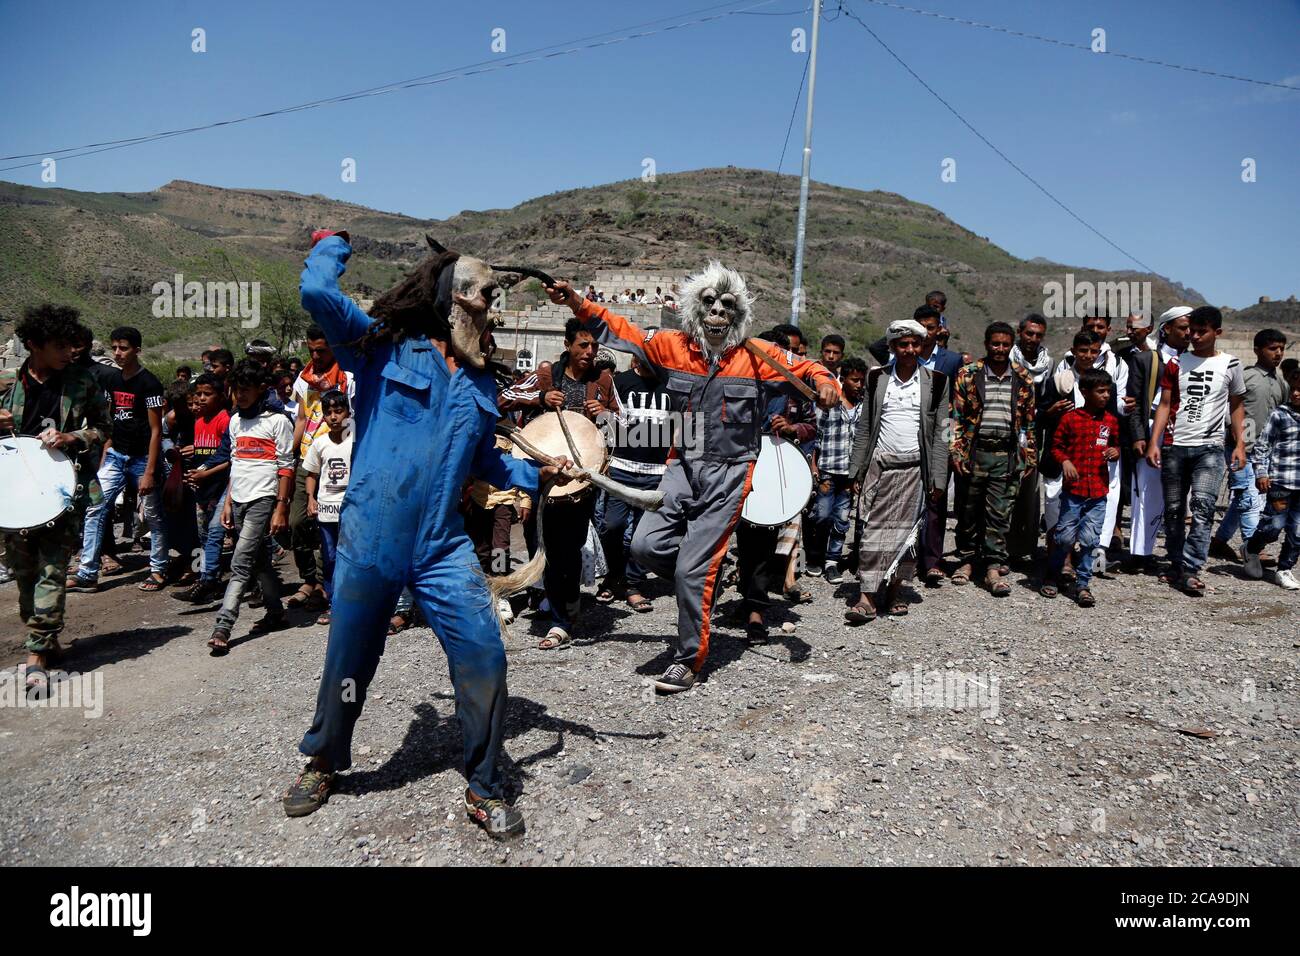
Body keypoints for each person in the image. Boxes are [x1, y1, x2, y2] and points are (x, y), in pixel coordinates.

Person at [285, 230, 567, 838]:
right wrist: (331, 243)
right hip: (369, 540)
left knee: (485, 655)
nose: (492, 308)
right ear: (453, 298)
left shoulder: (482, 383)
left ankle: (485, 785)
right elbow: (314, 289)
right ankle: (325, 759)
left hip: (441, 547)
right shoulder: (382, 347)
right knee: (349, 661)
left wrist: (536, 471)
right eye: (485, 296)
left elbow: (485, 461)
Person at [546, 263, 839, 693]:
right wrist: (576, 300)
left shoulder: (756, 355)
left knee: (690, 569)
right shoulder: (670, 346)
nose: (717, 311)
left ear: (739, 313)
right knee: (645, 546)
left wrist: (827, 382)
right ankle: (705, 579)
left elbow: (810, 369)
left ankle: (689, 658)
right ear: (692, 309)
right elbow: (619, 330)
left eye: (727, 304)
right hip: (682, 465)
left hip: (731, 473)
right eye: (709, 302)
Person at [0, 305, 111, 692]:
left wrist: (72, 438)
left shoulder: (83, 382)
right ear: (34, 345)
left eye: (72, 345)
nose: (69, 353)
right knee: (23, 572)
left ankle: (36, 655)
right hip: (14, 495)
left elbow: (102, 427)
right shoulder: (7, 380)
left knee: (52, 569)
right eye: (60, 346)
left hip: (64, 491)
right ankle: (46, 640)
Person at [844, 321, 949, 621]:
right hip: (879, 466)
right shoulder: (876, 378)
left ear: (922, 346)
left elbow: (944, 433)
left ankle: (894, 592)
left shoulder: (939, 381)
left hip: (916, 469)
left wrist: (938, 477)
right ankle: (866, 595)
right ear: (891, 347)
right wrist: (856, 471)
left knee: (907, 536)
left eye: (915, 344)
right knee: (871, 532)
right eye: (903, 344)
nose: (909, 350)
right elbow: (865, 427)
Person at [1146, 306, 1247, 595]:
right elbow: (1165, 404)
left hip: (1210, 449)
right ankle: (1176, 563)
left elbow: (1237, 405)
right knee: (1175, 511)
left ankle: (1191, 568)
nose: (1195, 335)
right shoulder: (1177, 363)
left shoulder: (1230, 365)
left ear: (1217, 332)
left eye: (1202, 331)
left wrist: (1240, 444)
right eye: (1192, 330)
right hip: (1175, 446)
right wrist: (1155, 442)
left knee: (1203, 508)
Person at [528, 318, 615, 649]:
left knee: (572, 544)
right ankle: (560, 619)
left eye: (594, 346)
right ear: (567, 345)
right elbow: (505, 399)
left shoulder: (603, 380)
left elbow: (623, 422)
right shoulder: (548, 374)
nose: (590, 351)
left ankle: (568, 600)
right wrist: (540, 398)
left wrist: (604, 412)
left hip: (583, 478)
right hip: (545, 474)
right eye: (583, 345)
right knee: (547, 546)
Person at [68, 326, 169, 593]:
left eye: (123, 348)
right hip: (115, 455)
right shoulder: (112, 380)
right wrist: (105, 455)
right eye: (114, 348)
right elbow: (111, 421)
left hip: (141, 458)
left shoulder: (149, 383)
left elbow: (156, 430)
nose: (118, 353)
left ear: (137, 350)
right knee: (96, 508)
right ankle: (87, 572)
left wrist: (149, 470)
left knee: (154, 516)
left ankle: (158, 569)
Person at [206, 360, 294, 653]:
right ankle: (276, 612)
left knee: (240, 563)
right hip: (239, 498)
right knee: (258, 562)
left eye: (245, 390)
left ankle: (224, 624)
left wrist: (281, 507)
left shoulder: (277, 421)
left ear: (261, 389)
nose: (239, 395)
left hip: (263, 499)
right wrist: (228, 502)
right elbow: (236, 464)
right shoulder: (235, 421)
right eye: (235, 390)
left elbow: (285, 467)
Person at [950, 322, 1038, 595]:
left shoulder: (1023, 378)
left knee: (999, 513)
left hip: (1007, 455)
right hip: (975, 452)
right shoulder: (968, 374)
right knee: (967, 508)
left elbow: (1028, 423)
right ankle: (966, 560)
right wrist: (956, 451)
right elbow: (955, 418)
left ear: (1012, 345)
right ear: (986, 343)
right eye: (995, 344)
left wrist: (1029, 457)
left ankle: (992, 565)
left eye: (1005, 344)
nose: (1000, 349)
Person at [285, 326, 355, 612]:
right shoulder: (304, 378)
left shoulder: (347, 377)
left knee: (332, 526)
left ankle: (325, 586)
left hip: (339, 455)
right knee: (297, 522)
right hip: (308, 457)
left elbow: (355, 413)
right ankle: (309, 579)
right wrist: (291, 454)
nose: (315, 355)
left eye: (321, 350)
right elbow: (301, 418)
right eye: (311, 350)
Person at [1039, 369, 1121, 607]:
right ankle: (1053, 575)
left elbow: (1116, 446)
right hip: (1073, 492)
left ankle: (1083, 584)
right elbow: (1055, 446)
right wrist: (1064, 461)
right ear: (1085, 392)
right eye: (1101, 391)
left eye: (1108, 391)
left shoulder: (1111, 421)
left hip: (1098, 492)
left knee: (1090, 540)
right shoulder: (1070, 419)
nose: (1106, 396)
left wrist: (1116, 453)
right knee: (1064, 537)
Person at [598, 354, 672, 613]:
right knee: (612, 526)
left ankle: (633, 584)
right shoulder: (621, 382)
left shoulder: (670, 384)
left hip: (656, 471)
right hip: (622, 468)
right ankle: (613, 576)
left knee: (642, 534)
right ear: (636, 357)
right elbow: (608, 422)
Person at [1210, 329, 1288, 560]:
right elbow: (1229, 408)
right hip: (1239, 448)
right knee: (1248, 498)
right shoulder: (1246, 377)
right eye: (1273, 348)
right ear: (1257, 350)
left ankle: (1219, 541)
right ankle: (1254, 547)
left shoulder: (1280, 384)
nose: (1278, 353)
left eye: (1281, 349)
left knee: (1243, 499)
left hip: (1264, 453)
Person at [1123, 307, 1190, 573]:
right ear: (1166, 329)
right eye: (1183, 328)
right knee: (1147, 494)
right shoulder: (1146, 360)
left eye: (1191, 328)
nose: (1188, 333)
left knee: (1176, 495)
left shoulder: (1196, 361)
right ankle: (1141, 553)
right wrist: (1140, 436)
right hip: (1153, 431)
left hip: (1184, 434)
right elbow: (1137, 403)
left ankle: (1176, 554)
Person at [173, 373, 232, 604]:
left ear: (220, 396)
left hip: (223, 486)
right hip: (203, 488)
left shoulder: (224, 419)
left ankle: (208, 581)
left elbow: (228, 457)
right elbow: (204, 454)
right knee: (205, 534)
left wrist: (205, 473)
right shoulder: (199, 422)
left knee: (217, 531)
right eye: (198, 394)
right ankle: (211, 579)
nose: (201, 398)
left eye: (207, 394)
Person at [808, 356, 866, 580]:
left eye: (861, 381)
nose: (859, 385)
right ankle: (815, 556)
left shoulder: (863, 407)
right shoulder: (828, 404)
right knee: (821, 515)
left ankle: (832, 561)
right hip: (827, 470)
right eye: (854, 380)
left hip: (849, 475)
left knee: (842, 519)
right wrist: (813, 465)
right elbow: (816, 436)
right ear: (843, 379)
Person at [1242, 373, 1300, 588]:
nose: (1295, 393)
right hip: (1281, 483)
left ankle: (1284, 569)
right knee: (1273, 527)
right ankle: (1251, 548)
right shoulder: (1280, 415)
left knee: (1297, 532)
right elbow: (1263, 446)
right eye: (1293, 388)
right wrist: (1261, 473)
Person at [303, 388, 354, 626]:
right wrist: (311, 498)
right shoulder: (320, 443)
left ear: (348, 412)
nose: (333, 417)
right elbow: (312, 473)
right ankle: (334, 604)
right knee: (330, 557)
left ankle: (353, 604)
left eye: (338, 410)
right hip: (326, 511)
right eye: (328, 412)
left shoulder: (356, 440)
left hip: (351, 512)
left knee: (352, 557)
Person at [1007, 313, 1051, 564]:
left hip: (1034, 435)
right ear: (1019, 332)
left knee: (1029, 491)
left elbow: (1047, 400)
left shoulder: (1050, 364)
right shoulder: (1007, 359)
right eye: (1029, 333)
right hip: (1006, 432)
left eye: (1038, 335)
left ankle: (1024, 547)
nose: (1033, 339)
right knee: (1004, 490)